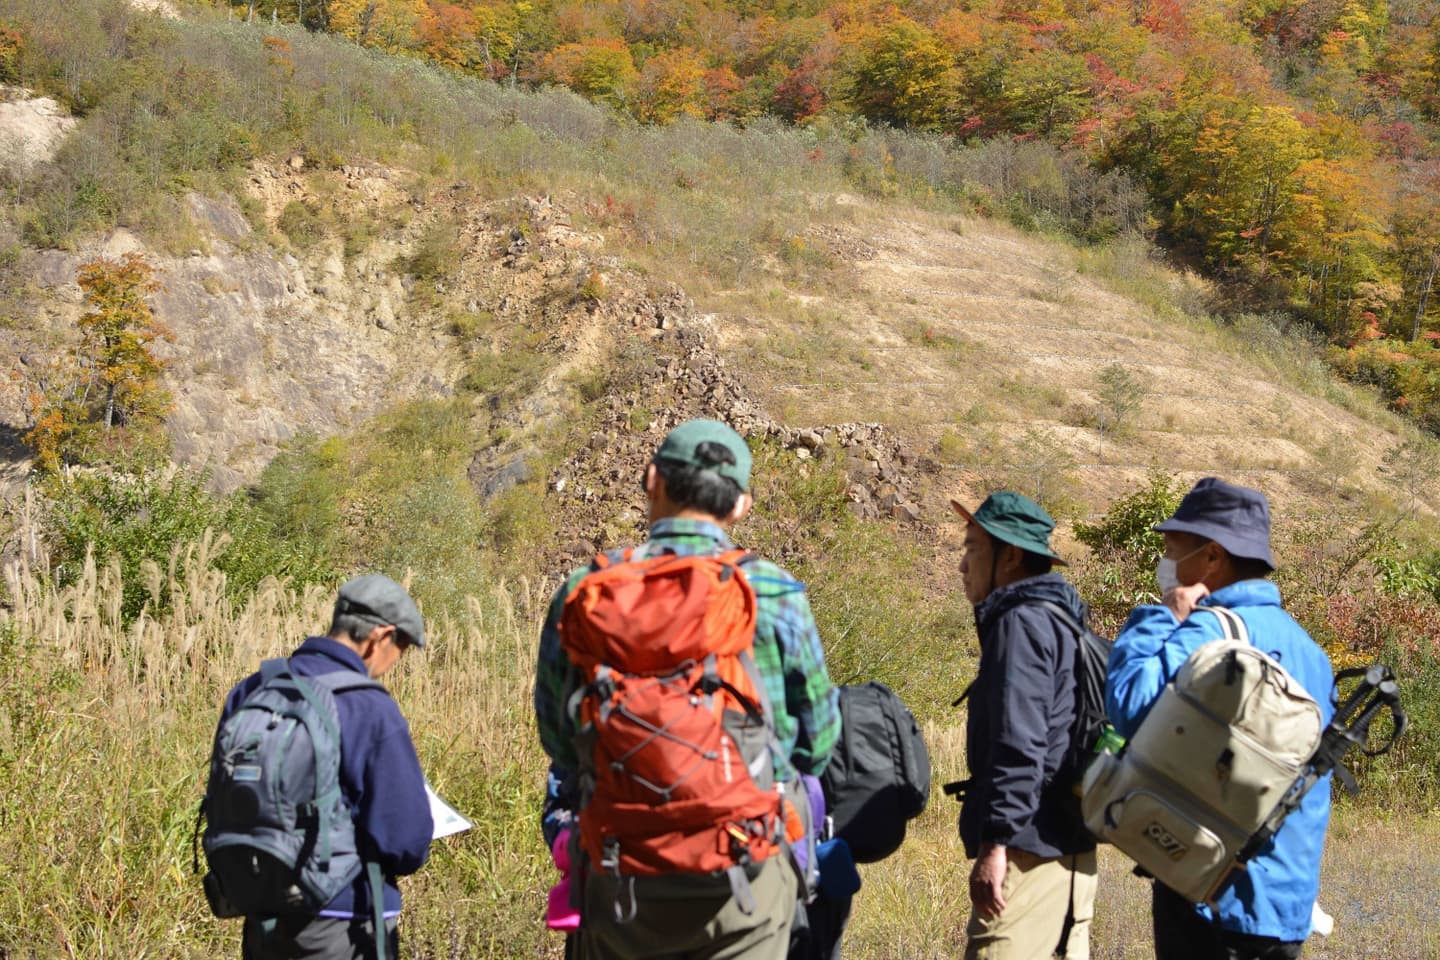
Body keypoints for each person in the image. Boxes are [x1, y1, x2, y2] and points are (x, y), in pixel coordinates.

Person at [534, 418, 841, 960]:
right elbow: (818, 741)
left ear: (652, 479)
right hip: (743, 879)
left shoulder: (583, 591)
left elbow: (560, 742)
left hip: (619, 873)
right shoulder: (771, 591)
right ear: (741, 505)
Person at [1106, 477, 1334, 960]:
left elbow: (1128, 706)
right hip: (1283, 903)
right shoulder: (1309, 651)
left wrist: (1160, 618)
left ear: (1212, 556)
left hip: (1210, 893)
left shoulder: (1208, 630)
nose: (1167, 564)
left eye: (1173, 549)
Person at [216, 574, 433, 960]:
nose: (395, 661)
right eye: (400, 647)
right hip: (344, 921)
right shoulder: (368, 705)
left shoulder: (253, 690)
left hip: (261, 912)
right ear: (379, 637)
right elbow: (405, 841)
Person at [951, 491, 1098, 960]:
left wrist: (996, 845)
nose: (962, 565)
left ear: (1010, 556)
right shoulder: (1064, 622)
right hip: (1072, 855)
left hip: (1025, 856)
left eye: (972, 548)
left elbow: (1021, 742)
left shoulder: (1021, 623)